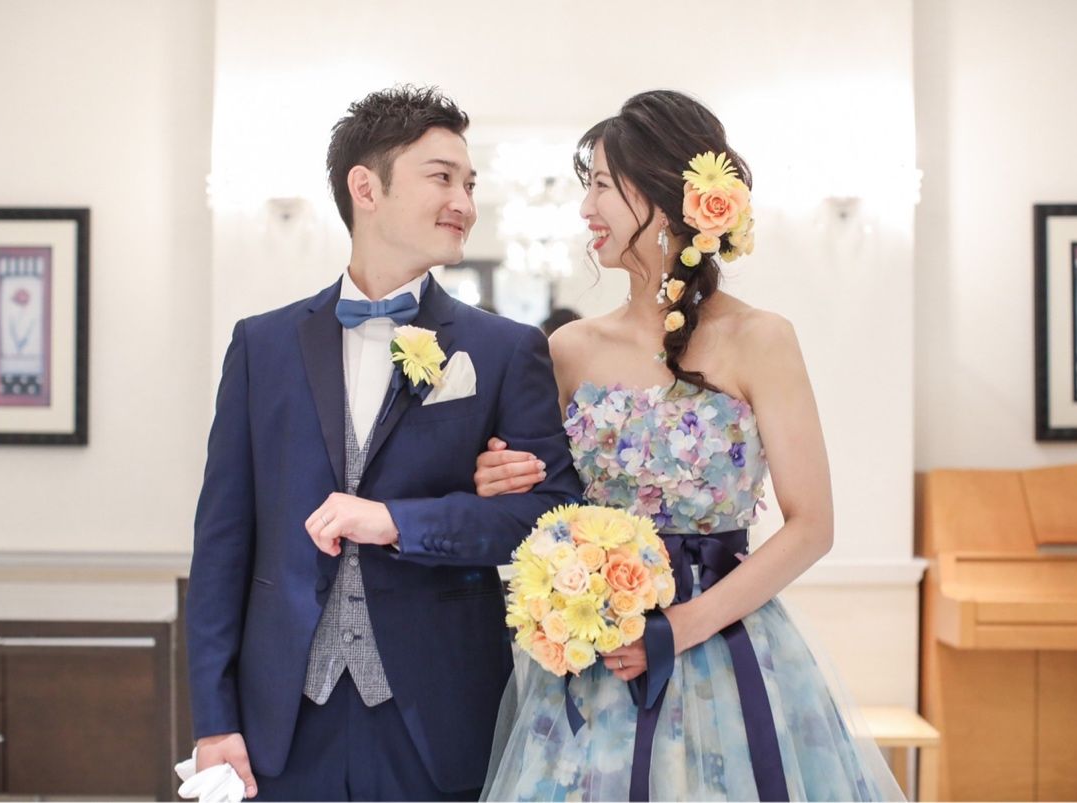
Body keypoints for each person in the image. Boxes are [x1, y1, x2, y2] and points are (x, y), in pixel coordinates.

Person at [474, 90, 904, 801]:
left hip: (725, 646)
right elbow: (541, 498)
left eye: (601, 185)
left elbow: (812, 525)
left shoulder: (761, 339)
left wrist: (678, 629)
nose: (585, 209)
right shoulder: (569, 349)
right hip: (598, 651)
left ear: (665, 195)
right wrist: (498, 475)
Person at [185, 85, 583, 802]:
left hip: (439, 715)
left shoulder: (505, 349)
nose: (464, 202)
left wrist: (398, 521)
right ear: (365, 188)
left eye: (470, 183)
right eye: (442, 177)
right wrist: (214, 718)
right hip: (281, 719)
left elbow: (549, 520)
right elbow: (221, 543)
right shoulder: (261, 346)